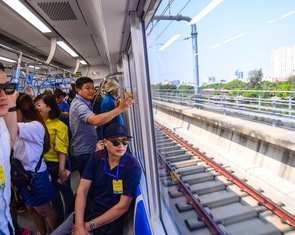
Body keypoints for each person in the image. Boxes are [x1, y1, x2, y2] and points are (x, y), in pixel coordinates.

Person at [51, 123, 142, 235]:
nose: (121, 146)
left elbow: (122, 207)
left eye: (125, 141)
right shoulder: (97, 157)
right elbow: (82, 191)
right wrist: (79, 226)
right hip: (89, 210)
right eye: (116, 142)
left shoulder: (132, 166)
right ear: (105, 142)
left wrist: (88, 226)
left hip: (109, 220)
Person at [13, 93, 59, 235]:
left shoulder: (34, 126)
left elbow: (10, 126)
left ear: (19, 112)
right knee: (31, 208)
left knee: (45, 210)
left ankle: (57, 232)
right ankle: (43, 232)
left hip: (36, 176)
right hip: (23, 175)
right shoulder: (26, 125)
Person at [69, 76, 132, 176]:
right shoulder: (79, 105)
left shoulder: (83, 102)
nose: (92, 91)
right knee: (90, 181)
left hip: (86, 149)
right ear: (78, 89)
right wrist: (120, 109)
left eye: (93, 88)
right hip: (84, 152)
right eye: (87, 88)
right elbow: (95, 120)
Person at [35, 94, 74, 224]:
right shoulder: (37, 124)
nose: (37, 107)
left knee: (67, 194)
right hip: (44, 166)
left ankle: (70, 220)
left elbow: (62, 149)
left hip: (58, 164)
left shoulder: (59, 125)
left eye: (39, 105)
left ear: (49, 107)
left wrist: (62, 170)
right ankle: (59, 218)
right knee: (53, 195)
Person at [0, 62, 18, 235]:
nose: (4, 95)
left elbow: (10, 143)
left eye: (6, 87)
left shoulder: (1, 123)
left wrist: (11, 105)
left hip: (5, 221)